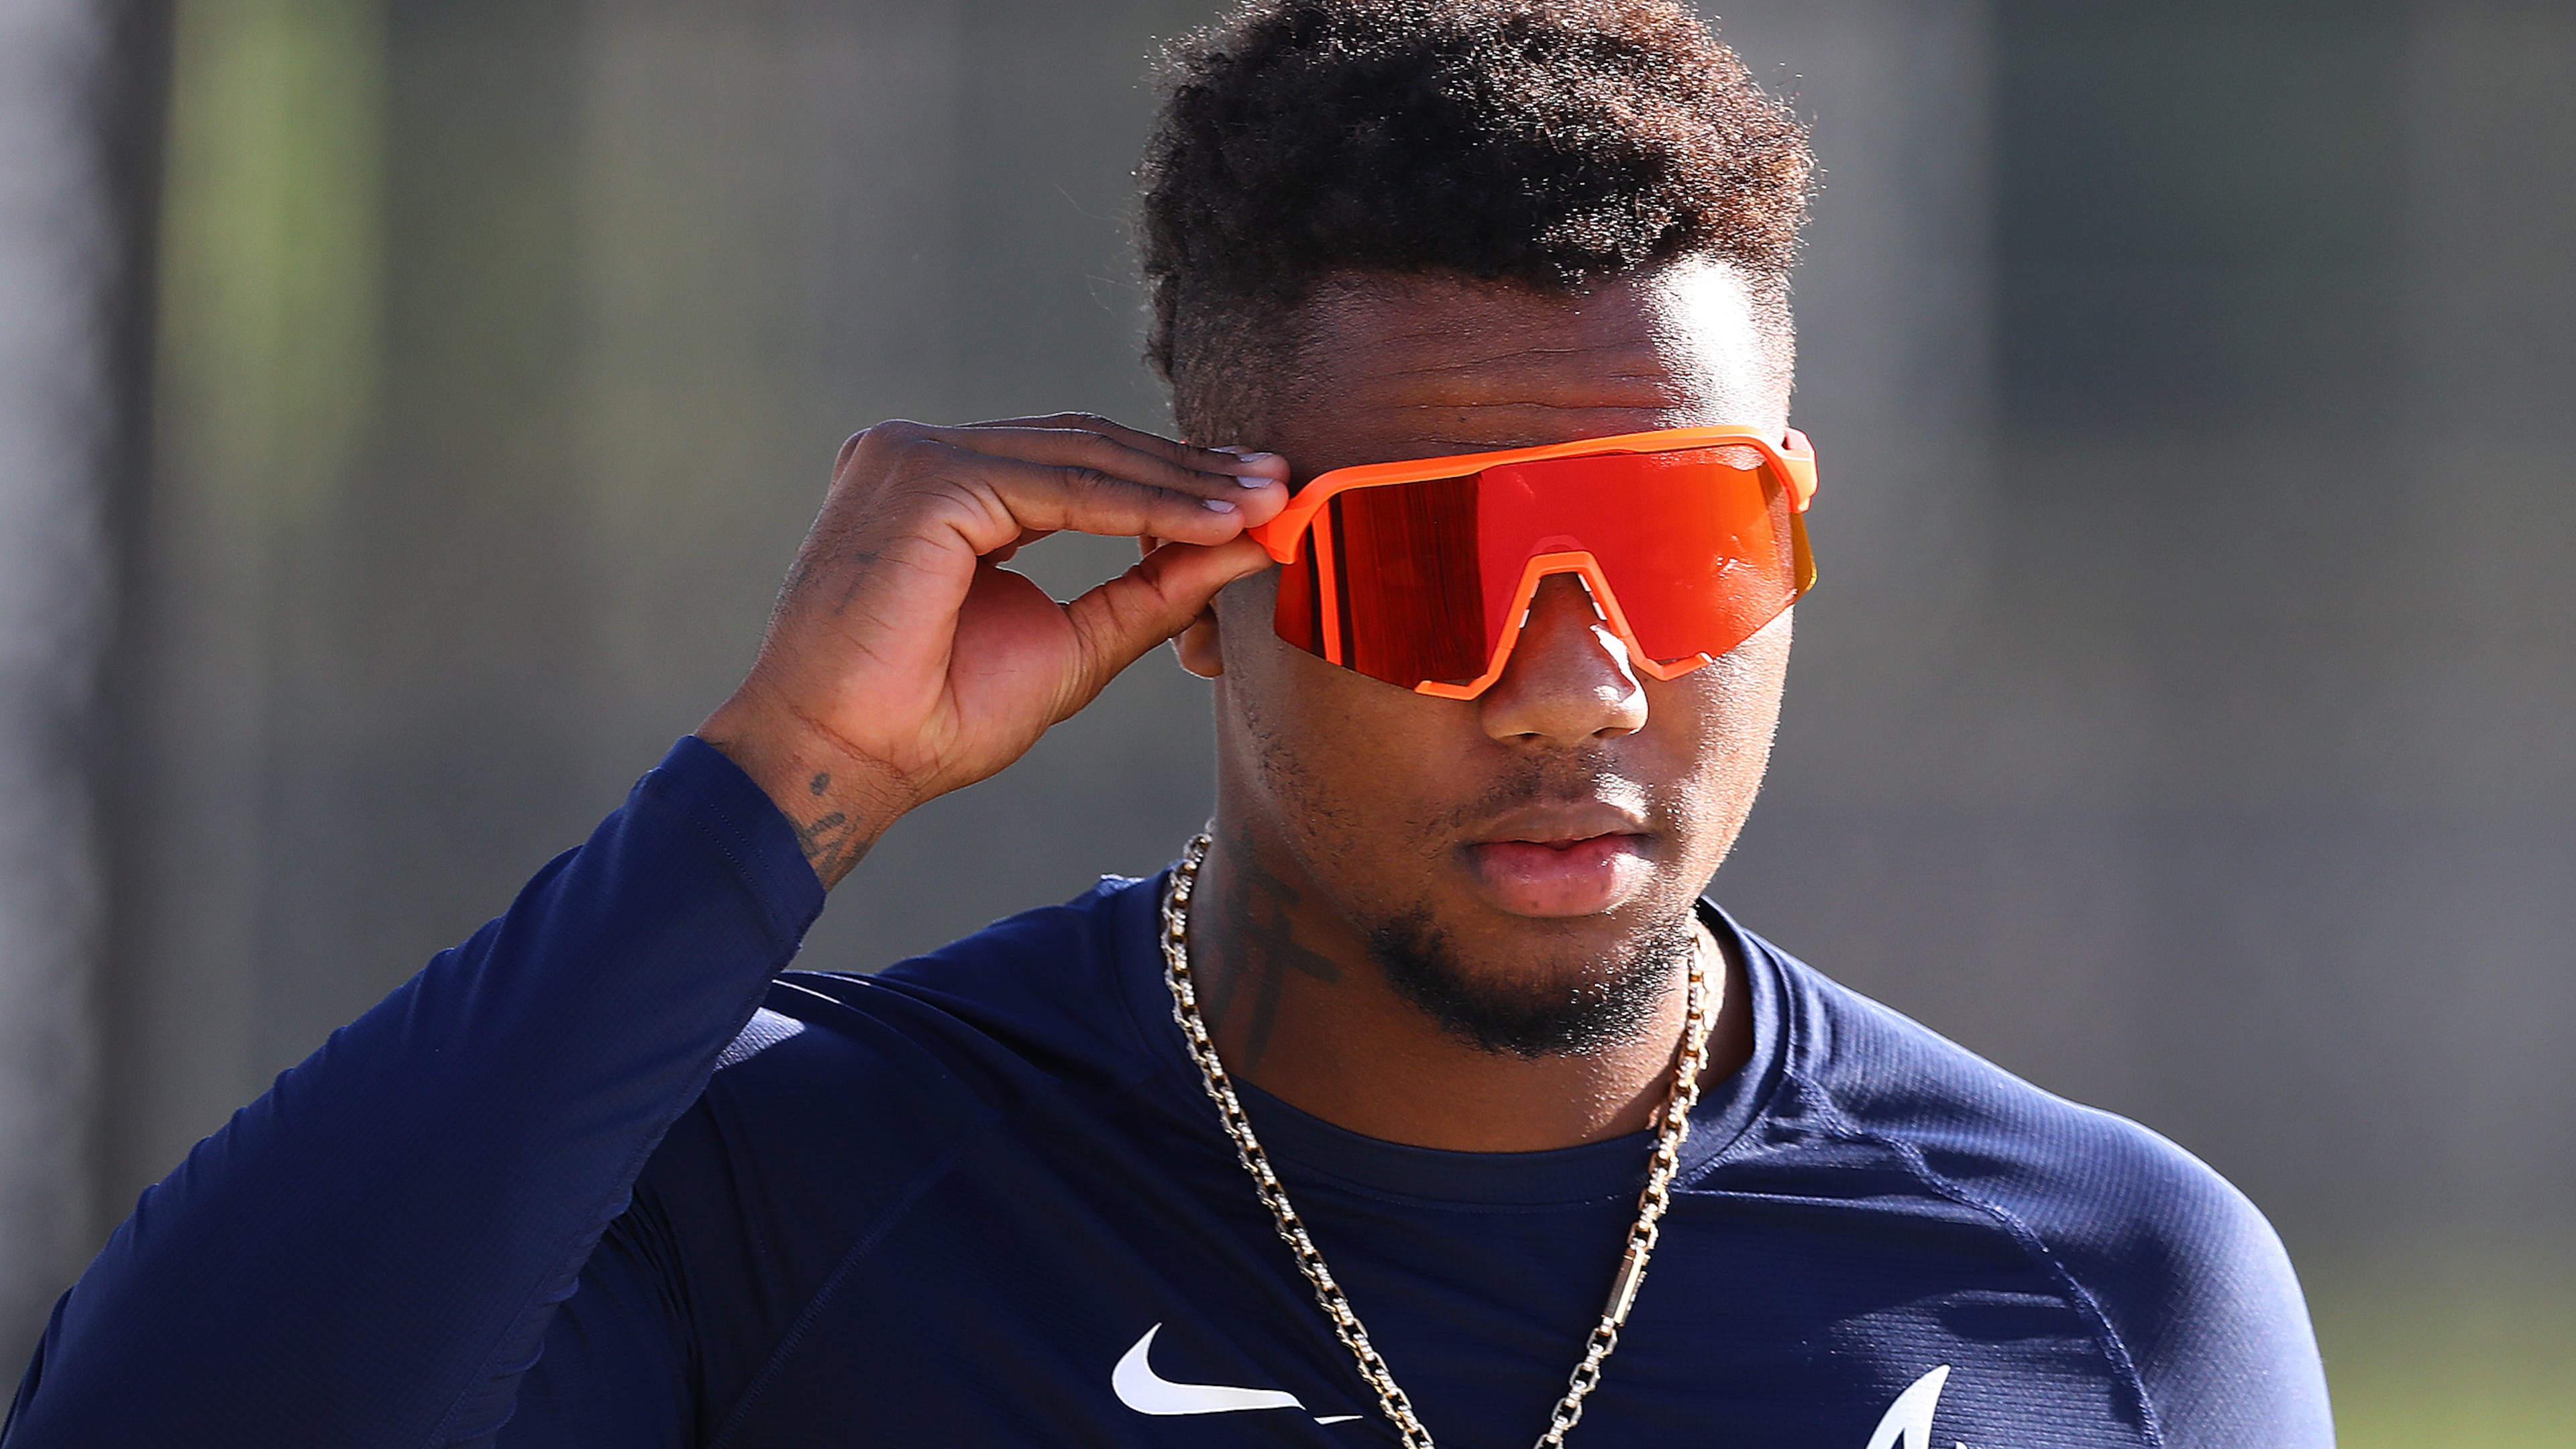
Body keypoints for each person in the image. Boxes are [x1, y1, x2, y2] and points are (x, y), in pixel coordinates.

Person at [3, 2, 2334, 1445]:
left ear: (1795, 527)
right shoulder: (791, 1200)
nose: (1581, 675)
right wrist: (781, 792)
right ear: (1208, 595)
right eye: (1428, 564)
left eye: (1678, 540)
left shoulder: (2109, 1295)